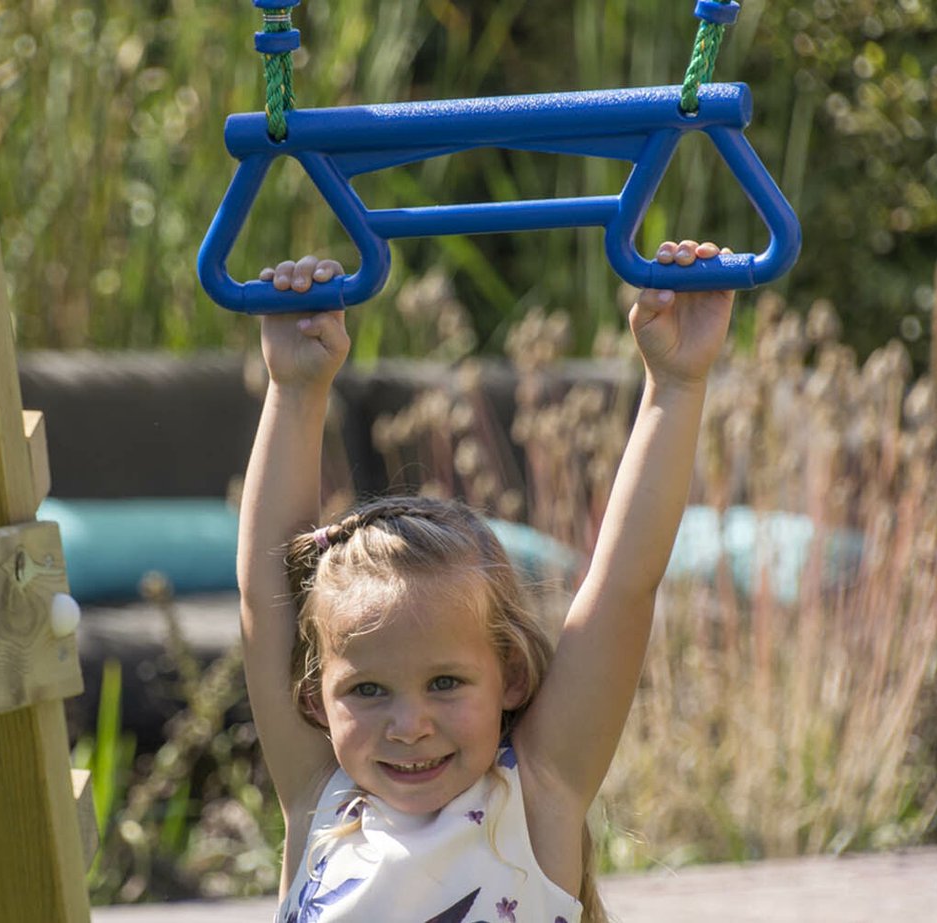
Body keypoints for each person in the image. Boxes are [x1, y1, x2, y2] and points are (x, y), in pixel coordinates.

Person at [241, 242, 734, 923]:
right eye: (367, 689)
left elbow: (624, 585)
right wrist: (294, 390)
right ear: (315, 697)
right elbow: (266, 596)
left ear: (510, 675)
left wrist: (675, 385)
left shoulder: (533, 795)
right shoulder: (320, 800)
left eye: (445, 682)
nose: (409, 725)